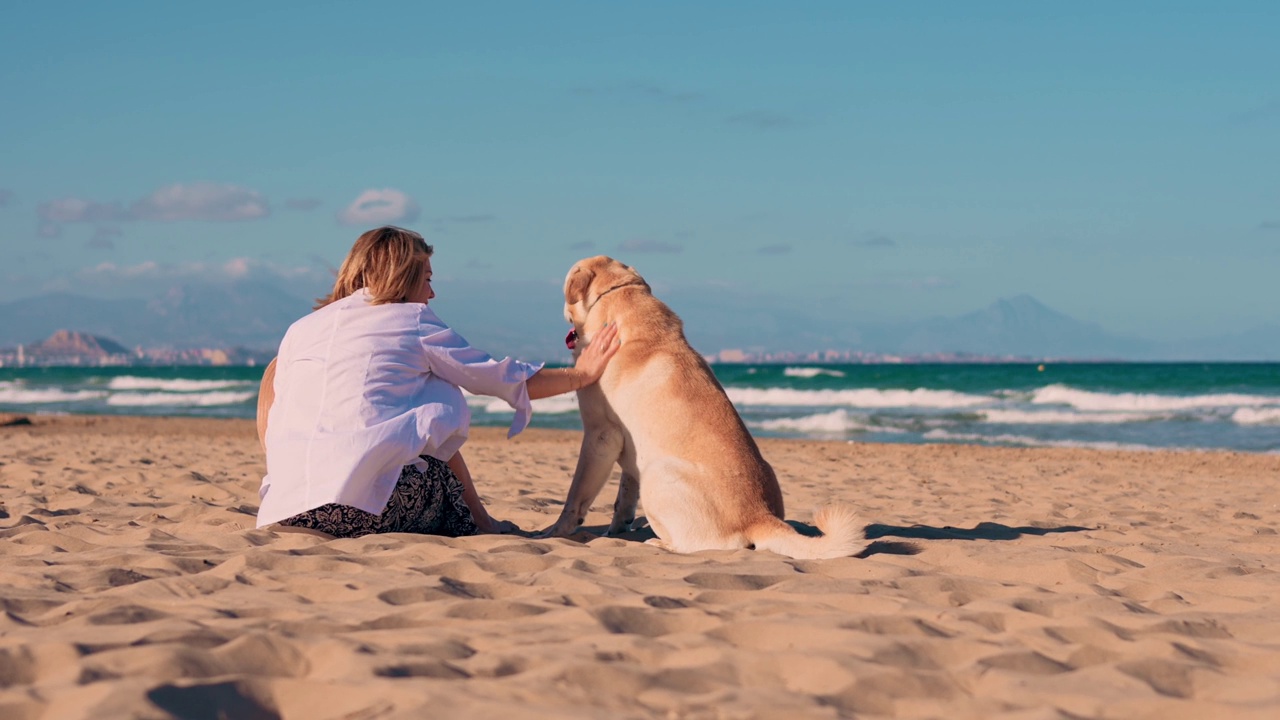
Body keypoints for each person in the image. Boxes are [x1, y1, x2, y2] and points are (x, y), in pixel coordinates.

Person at [255, 225, 619, 539]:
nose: (432, 294)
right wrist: (582, 374)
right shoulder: (410, 318)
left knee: (412, 405)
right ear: (402, 276)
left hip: (282, 511)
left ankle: (483, 522)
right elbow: (498, 378)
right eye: (427, 279)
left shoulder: (300, 329)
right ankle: (481, 524)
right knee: (438, 396)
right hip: (358, 509)